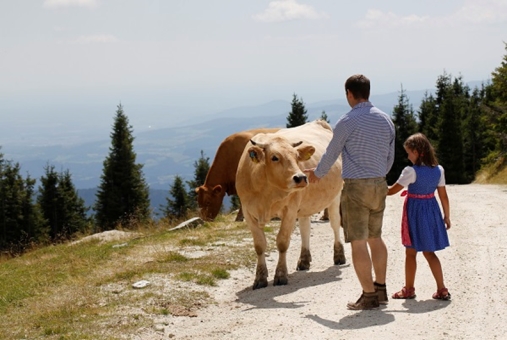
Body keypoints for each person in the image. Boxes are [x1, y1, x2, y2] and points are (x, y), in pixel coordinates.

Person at [305, 74, 395, 310]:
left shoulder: (347, 121)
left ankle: (368, 295)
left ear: (349, 93)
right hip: (379, 183)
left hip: (356, 186)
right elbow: (390, 157)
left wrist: (317, 174)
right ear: (368, 91)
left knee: (358, 241)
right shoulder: (386, 120)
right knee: (376, 238)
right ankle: (382, 289)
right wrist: (378, 175)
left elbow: (332, 152)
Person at [387, 133, 451, 300]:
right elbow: (443, 195)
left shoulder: (410, 171)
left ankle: (409, 289)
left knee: (411, 252)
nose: (407, 156)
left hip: (414, 213)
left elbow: (393, 190)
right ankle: (442, 288)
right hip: (431, 211)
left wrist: (377, 189)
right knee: (430, 252)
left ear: (416, 151)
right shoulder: (438, 169)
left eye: (408, 152)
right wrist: (447, 216)